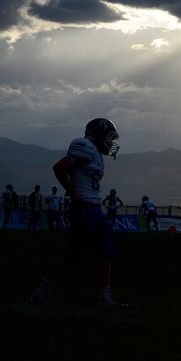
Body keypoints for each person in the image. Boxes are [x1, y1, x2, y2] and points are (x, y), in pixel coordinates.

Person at [31, 118, 122, 307]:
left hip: (96, 208)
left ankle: (104, 296)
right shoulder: (85, 145)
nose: (111, 143)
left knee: (107, 251)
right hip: (84, 208)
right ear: (98, 134)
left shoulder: (96, 152)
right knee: (73, 255)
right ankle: (42, 290)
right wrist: (74, 193)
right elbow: (60, 167)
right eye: (108, 138)